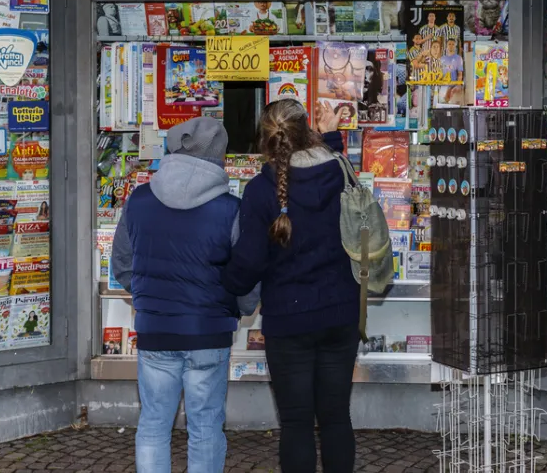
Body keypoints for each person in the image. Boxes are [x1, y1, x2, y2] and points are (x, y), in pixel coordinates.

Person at [110, 117, 259, 473]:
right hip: (209, 331)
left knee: (153, 425)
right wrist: (240, 309)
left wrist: (149, 298)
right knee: (206, 428)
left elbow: (122, 265)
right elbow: (247, 278)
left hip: (155, 332)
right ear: (220, 157)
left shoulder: (140, 200)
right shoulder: (231, 209)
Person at [222, 99, 360, 473]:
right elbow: (327, 168)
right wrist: (331, 135)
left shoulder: (261, 190)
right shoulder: (341, 171)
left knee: (296, 423)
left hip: (289, 320)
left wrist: (223, 282)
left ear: (265, 141)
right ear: (306, 132)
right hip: (340, 314)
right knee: (336, 418)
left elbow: (248, 264)